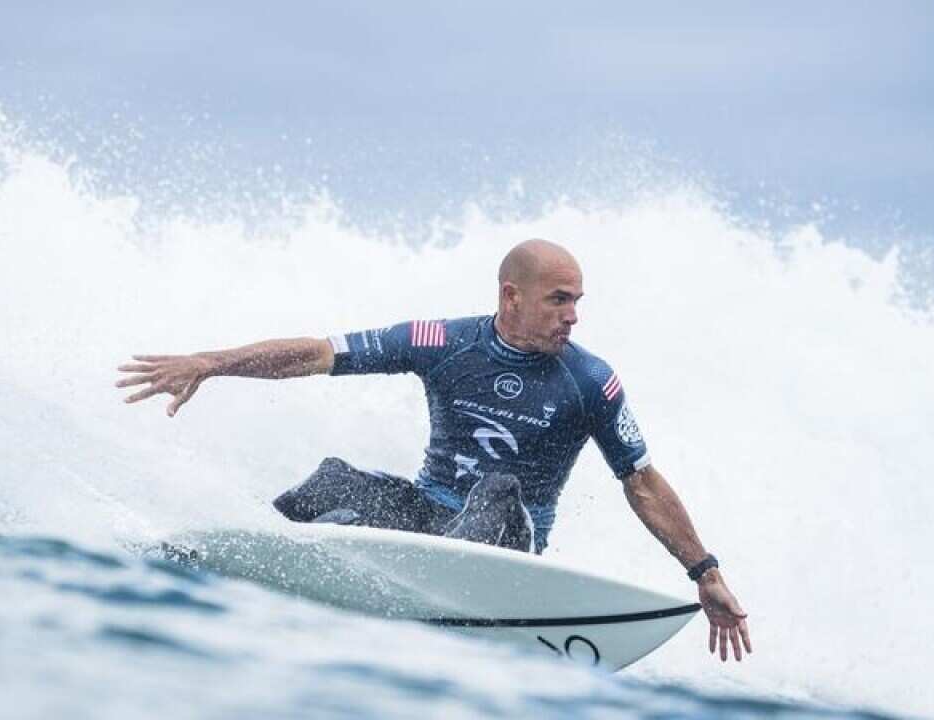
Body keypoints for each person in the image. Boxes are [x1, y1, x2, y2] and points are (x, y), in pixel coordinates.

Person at [116, 239, 752, 662]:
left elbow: (640, 481)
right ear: (512, 296)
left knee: (496, 489)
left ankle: (444, 612)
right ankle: (222, 561)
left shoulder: (590, 381)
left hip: (509, 539)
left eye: (577, 302)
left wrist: (707, 573)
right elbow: (317, 353)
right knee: (333, 482)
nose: (573, 316)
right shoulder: (441, 341)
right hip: (431, 518)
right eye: (560, 300)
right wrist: (210, 362)